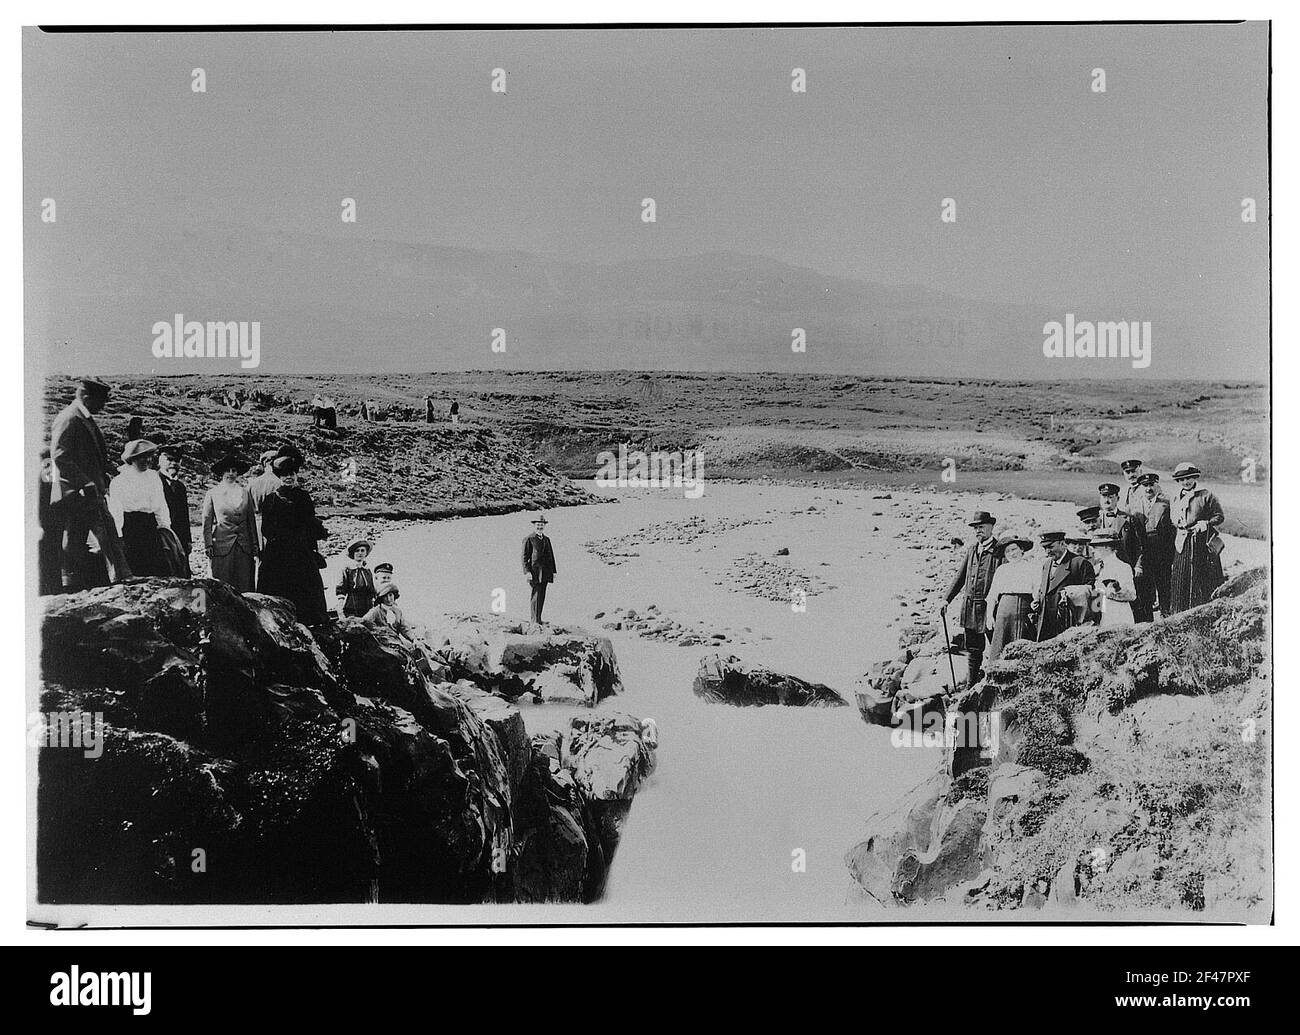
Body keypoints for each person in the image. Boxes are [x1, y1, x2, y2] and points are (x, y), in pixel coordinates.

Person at [49, 377, 132, 589]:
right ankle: (121, 576)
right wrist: (85, 483)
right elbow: (60, 455)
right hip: (81, 492)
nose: (104, 406)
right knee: (107, 530)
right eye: (101, 401)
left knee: (75, 538)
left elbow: (90, 457)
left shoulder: (83, 418)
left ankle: (70, 582)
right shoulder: (69, 418)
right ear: (86, 397)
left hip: (84, 491)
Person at [257, 453, 329, 626]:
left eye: (291, 474)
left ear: (296, 475)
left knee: (308, 586)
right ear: (279, 477)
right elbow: (266, 528)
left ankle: (308, 621)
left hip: (300, 549)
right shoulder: (271, 499)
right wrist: (280, 539)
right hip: (279, 552)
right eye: (284, 475)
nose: (288, 478)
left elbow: (310, 521)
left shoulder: (303, 497)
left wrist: (316, 535)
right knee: (276, 586)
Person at [941, 510, 1000, 687]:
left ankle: (996, 682)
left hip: (990, 608)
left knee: (997, 647)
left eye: (981, 527)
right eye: (975, 528)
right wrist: (946, 599)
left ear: (991, 527)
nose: (978, 531)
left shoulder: (999, 551)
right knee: (973, 650)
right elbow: (960, 577)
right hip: (970, 608)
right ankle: (971, 684)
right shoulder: (972, 549)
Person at [107, 439, 172, 577]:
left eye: (149, 456)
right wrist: (119, 536)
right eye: (142, 457)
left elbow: (161, 505)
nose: (147, 460)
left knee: (157, 568)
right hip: (130, 527)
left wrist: (165, 527)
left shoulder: (154, 477)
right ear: (132, 459)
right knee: (135, 566)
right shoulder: (119, 481)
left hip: (150, 526)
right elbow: (116, 511)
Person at [1168, 463, 1226, 613]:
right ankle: (1180, 612)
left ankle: (1205, 611)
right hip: (1182, 541)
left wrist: (1206, 523)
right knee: (1181, 576)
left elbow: (1219, 516)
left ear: (1194, 477)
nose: (1185, 482)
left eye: (1188, 478)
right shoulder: (1175, 497)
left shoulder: (1206, 495)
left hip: (1201, 542)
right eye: (1182, 480)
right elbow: (1173, 519)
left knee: (1202, 577)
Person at [201, 453, 258, 592]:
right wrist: (208, 544)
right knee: (222, 586)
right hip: (222, 545)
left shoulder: (245, 493)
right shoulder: (213, 493)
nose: (231, 474)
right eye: (227, 470)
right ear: (222, 473)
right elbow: (207, 521)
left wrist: (255, 544)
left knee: (244, 586)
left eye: (234, 470)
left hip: (244, 546)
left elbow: (251, 519)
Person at [1097, 482, 1151, 622]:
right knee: (1103, 604)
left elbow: (1141, 545)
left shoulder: (1129, 519)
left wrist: (1139, 566)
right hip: (1103, 568)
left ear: (1117, 498)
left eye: (1111, 496)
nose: (1107, 500)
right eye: (1104, 497)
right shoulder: (1096, 521)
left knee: (1132, 602)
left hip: (1125, 567)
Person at [1030, 531, 1096, 641]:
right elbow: (1044, 588)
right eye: (1044, 548)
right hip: (1046, 623)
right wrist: (1038, 600)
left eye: (1050, 547)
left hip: (1068, 624)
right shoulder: (1047, 564)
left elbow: (1091, 594)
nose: (1047, 551)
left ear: (1062, 544)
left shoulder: (1080, 563)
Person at [983, 533, 1037, 663]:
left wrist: (1036, 602)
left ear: (1022, 550)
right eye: (1007, 551)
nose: (1011, 554)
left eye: (1014, 549)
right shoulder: (1002, 570)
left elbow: (1037, 589)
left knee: (1021, 646)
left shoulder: (1032, 567)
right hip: (1003, 612)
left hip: (1023, 611)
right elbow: (992, 596)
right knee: (1001, 646)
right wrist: (989, 616)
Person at [1137, 472, 1175, 617]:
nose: (1148, 488)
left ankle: (1166, 618)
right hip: (1143, 556)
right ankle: (1147, 622)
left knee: (1164, 588)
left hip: (1162, 556)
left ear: (1157, 485)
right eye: (1145, 485)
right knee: (1146, 590)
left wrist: (1170, 557)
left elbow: (1172, 533)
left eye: (1151, 485)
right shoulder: (1134, 507)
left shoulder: (1166, 505)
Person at [1089, 531, 1137, 629]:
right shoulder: (1097, 568)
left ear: (1107, 547)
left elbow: (1132, 596)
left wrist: (1110, 591)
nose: (1092, 551)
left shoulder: (1122, 567)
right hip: (1102, 619)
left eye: (1096, 547)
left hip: (1118, 616)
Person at [157, 447, 192, 573]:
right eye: (169, 459)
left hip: (180, 537)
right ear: (160, 460)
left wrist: (188, 539)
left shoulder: (180, 486)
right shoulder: (154, 481)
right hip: (161, 536)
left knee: (182, 571)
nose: (173, 464)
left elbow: (184, 515)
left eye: (176, 460)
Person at [37, 448, 64, 595]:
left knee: (53, 557)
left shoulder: (52, 478)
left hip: (53, 522)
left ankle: (54, 589)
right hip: (43, 523)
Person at [522, 513, 557, 623]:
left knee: (542, 595)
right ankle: (534, 620)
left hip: (546, 572)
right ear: (534, 525)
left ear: (544, 526)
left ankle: (539, 618)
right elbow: (524, 557)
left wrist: (554, 571)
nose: (540, 527)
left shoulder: (547, 539)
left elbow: (551, 556)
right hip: (534, 572)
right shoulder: (529, 539)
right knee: (536, 595)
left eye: (541, 525)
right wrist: (527, 572)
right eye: (538, 525)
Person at [248, 448, 282, 549]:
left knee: (259, 558)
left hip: (257, 525)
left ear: (264, 463)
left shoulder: (251, 484)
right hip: (277, 526)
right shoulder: (281, 482)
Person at [335, 538, 377, 617]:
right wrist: (340, 607)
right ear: (353, 553)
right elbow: (341, 589)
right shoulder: (347, 570)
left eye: (362, 550)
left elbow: (372, 590)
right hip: (352, 607)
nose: (360, 553)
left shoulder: (368, 571)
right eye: (357, 550)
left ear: (366, 553)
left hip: (367, 607)